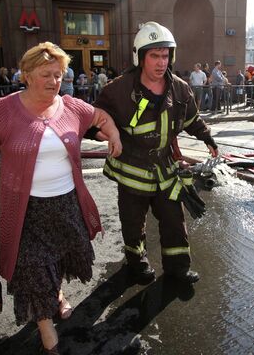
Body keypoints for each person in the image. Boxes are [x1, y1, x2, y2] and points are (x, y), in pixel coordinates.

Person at [0, 42, 121, 354]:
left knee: (55, 261)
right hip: (25, 210)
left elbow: (100, 117)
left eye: (59, 74)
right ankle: (47, 333)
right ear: (26, 74)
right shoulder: (2, 110)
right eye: (46, 74)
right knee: (33, 268)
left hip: (67, 205)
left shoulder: (71, 107)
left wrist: (115, 135)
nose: (55, 81)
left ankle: (56, 295)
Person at [93, 21, 218, 285]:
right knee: (132, 224)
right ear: (140, 57)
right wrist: (109, 134)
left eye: (165, 55)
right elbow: (92, 123)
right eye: (154, 56)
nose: (161, 62)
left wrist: (207, 137)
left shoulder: (181, 89)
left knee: (174, 220)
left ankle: (178, 269)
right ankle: (137, 265)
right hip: (132, 172)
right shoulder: (117, 90)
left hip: (165, 170)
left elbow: (192, 119)